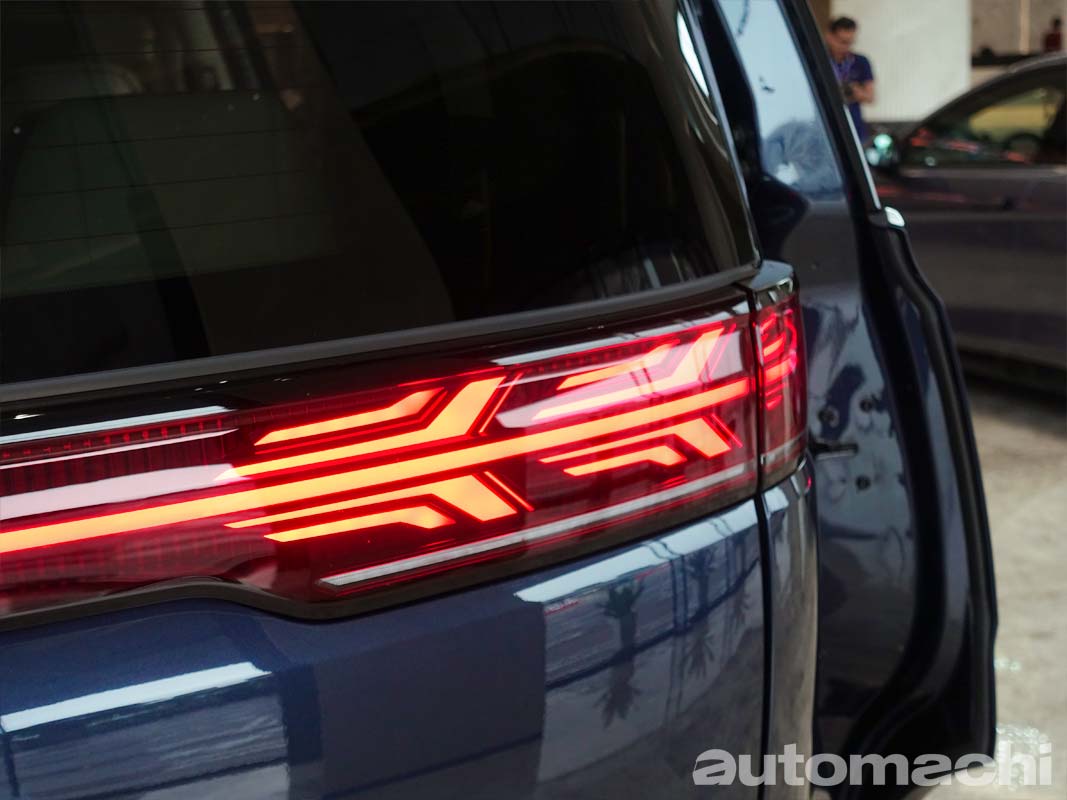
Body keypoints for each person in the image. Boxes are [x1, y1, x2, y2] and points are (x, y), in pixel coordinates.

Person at [825, 17, 875, 142]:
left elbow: (870, 97)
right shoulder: (820, 61)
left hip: (854, 125)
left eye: (850, 42)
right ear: (830, 37)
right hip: (827, 123)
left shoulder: (860, 61)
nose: (846, 47)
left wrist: (855, 91)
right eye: (842, 42)